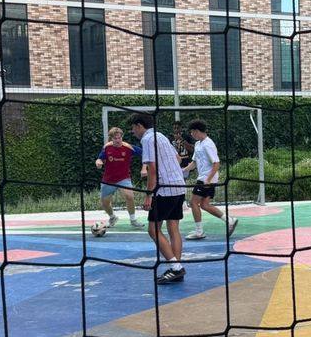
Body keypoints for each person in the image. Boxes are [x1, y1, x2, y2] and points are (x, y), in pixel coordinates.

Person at [129, 113, 187, 285]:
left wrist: (149, 195)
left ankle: (176, 268)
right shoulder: (161, 135)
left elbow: (152, 169)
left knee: (153, 230)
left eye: (133, 128)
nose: (133, 132)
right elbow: (177, 158)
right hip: (179, 185)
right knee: (173, 228)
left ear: (139, 126)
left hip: (164, 190)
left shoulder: (147, 139)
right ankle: (176, 267)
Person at [182, 118, 238, 240]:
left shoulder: (208, 144)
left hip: (206, 180)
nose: (191, 134)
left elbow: (216, 163)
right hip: (204, 178)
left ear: (197, 131)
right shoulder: (198, 144)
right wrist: (184, 170)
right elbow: (194, 162)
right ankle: (230, 220)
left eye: (192, 132)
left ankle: (199, 231)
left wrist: (208, 179)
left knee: (193, 202)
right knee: (204, 205)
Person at [95, 127, 143, 228]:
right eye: (115, 138)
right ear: (111, 138)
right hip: (108, 180)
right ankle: (112, 217)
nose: (118, 140)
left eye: (119, 138)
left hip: (123, 178)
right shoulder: (107, 147)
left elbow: (145, 154)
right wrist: (98, 162)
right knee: (105, 203)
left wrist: (144, 167)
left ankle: (133, 220)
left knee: (129, 196)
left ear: (122, 137)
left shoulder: (128, 147)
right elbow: (100, 159)